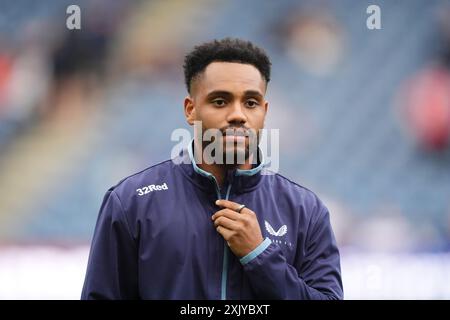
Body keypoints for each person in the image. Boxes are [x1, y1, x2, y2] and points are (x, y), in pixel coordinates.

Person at [81, 38, 343, 300]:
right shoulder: (132, 201)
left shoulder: (306, 211)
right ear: (191, 109)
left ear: (264, 112)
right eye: (220, 101)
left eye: (251, 103)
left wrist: (260, 256)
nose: (238, 115)